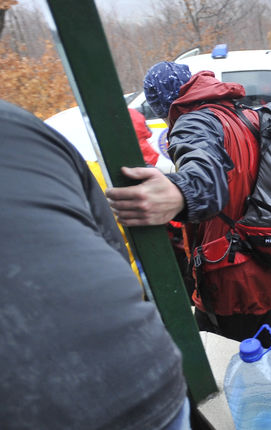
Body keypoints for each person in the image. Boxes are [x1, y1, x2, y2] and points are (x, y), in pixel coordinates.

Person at [0, 99, 189, 429]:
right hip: (149, 371)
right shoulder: (26, 127)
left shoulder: (106, 166)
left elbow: (117, 239)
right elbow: (109, 242)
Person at [105, 61, 271, 352]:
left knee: (231, 364)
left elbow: (205, 178)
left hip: (236, 282)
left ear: (162, 105)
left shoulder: (193, 121)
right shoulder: (245, 114)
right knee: (270, 354)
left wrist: (179, 192)